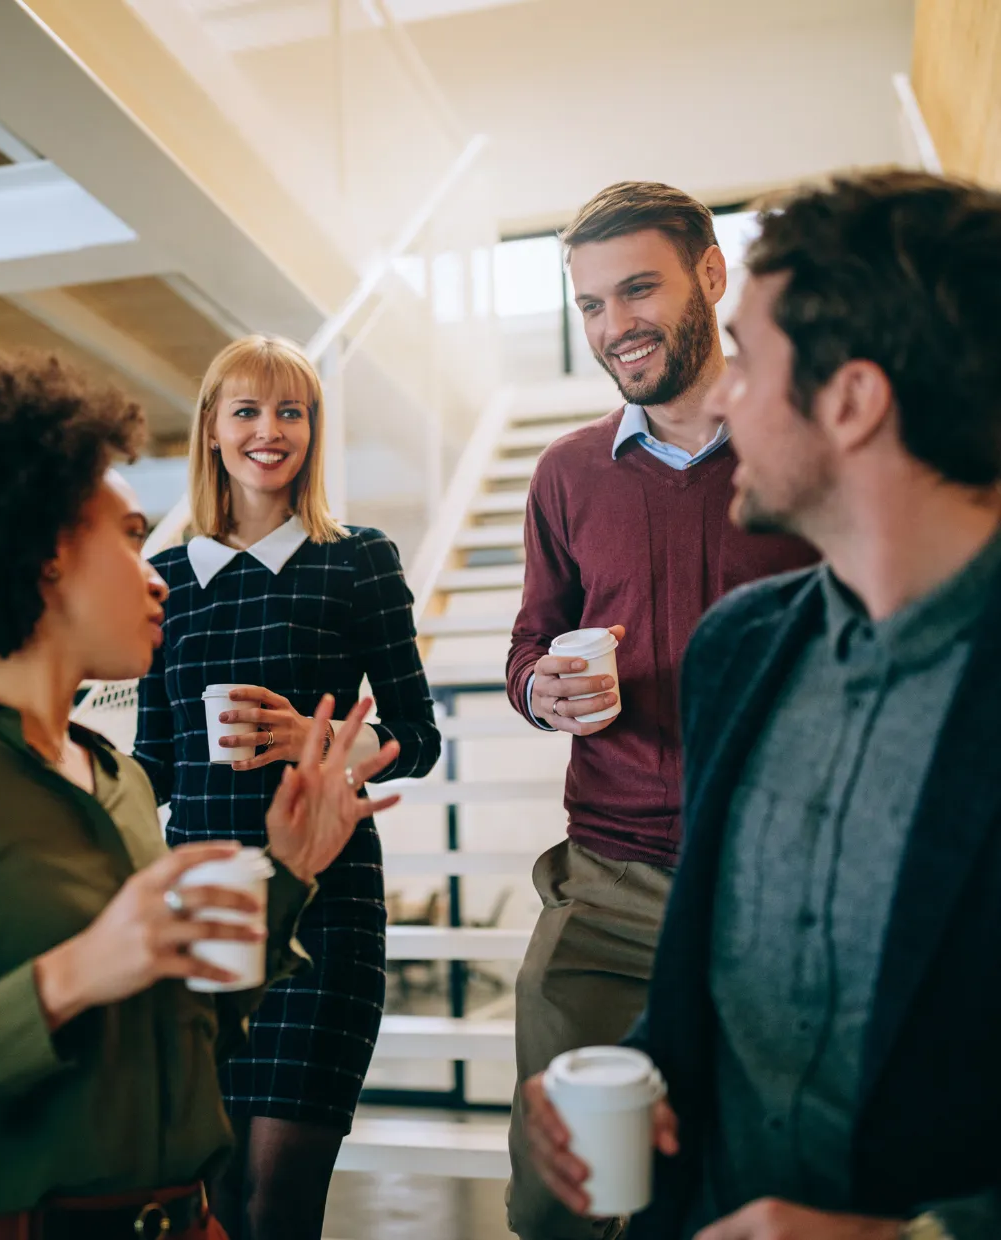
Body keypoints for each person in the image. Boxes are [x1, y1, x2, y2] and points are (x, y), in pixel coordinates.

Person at [0, 355, 405, 1240]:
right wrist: (71, 976)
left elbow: (170, 1042)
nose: (154, 574)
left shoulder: (118, 784)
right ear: (38, 558)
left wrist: (292, 871)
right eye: (125, 537)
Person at [521, 169, 1001, 1240]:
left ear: (850, 400)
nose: (720, 394)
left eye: (746, 356)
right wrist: (634, 1076)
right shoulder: (739, 652)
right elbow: (716, 989)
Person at [504, 183, 817, 1240]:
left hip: (774, 888)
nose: (612, 325)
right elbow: (528, 642)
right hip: (609, 883)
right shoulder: (564, 474)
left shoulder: (799, 451)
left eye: (636, 288)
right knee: (561, 1198)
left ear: (709, 275)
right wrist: (538, 688)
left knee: (746, 1189)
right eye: (589, 303)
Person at [133, 334, 442, 1240]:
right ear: (212, 429)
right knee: (215, 1204)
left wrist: (327, 742)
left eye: (291, 411)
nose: (271, 431)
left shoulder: (358, 560)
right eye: (248, 410)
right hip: (205, 907)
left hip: (327, 907)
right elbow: (158, 758)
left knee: (280, 1202)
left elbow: (418, 737)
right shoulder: (166, 583)